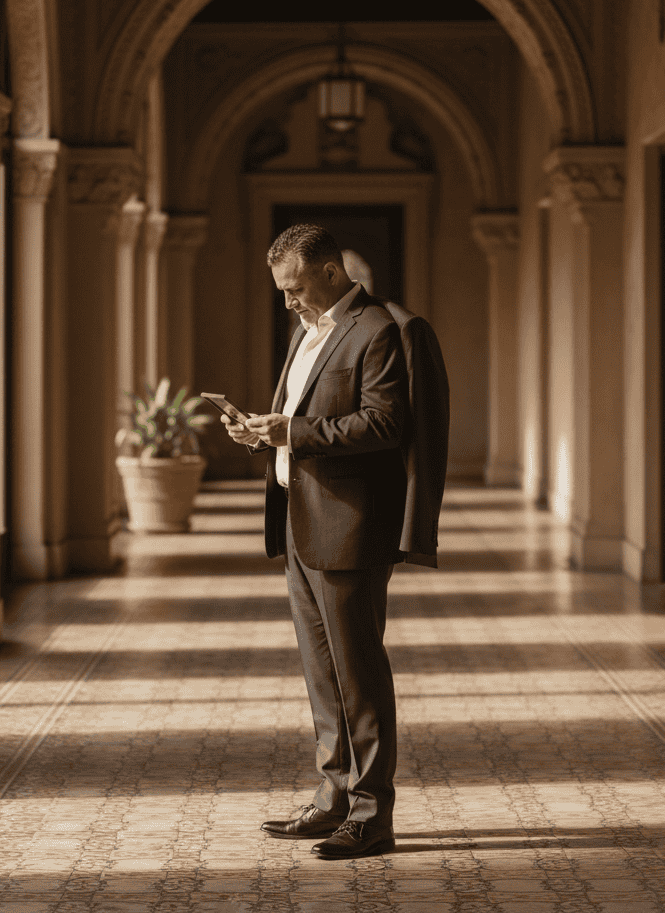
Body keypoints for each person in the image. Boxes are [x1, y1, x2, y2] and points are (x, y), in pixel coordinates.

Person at [223, 224, 449, 860]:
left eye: (294, 288)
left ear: (330, 272)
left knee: (359, 675)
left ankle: (373, 816)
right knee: (322, 675)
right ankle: (334, 798)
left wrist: (292, 431)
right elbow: (307, 420)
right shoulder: (308, 331)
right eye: (281, 293)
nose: (287, 302)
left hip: (350, 527)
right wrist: (266, 435)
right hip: (300, 521)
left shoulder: (379, 330)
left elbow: (384, 422)